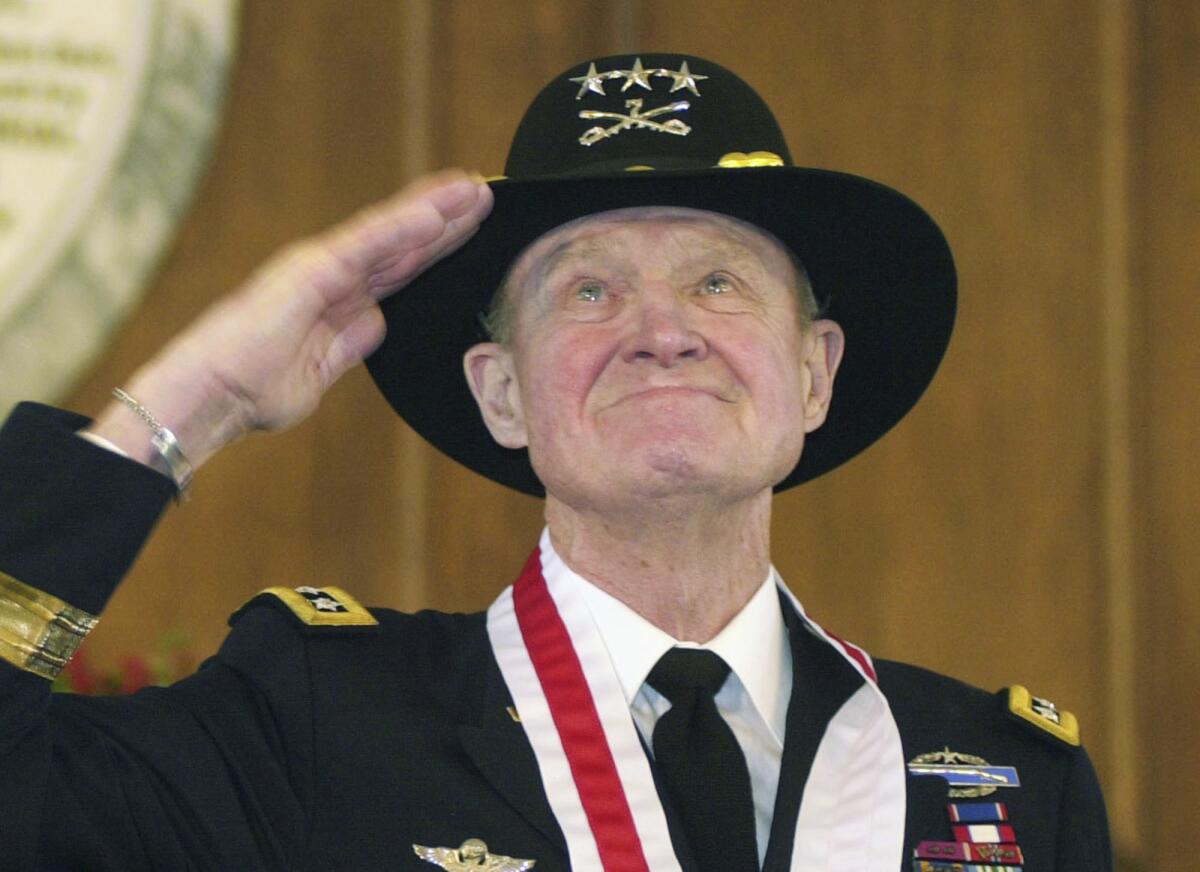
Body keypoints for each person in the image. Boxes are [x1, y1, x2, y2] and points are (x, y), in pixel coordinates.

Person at [0, 54, 1109, 872]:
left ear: (815, 374)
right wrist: (181, 411)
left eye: (719, 281)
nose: (660, 329)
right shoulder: (317, 717)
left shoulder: (1005, 776)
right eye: (588, 288)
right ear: (502, 392)